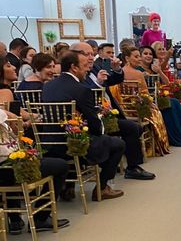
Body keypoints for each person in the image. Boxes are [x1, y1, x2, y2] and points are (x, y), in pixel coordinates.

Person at [42, 50, 127, 201]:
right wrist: (101, 125)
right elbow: (95, 124)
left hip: (50, 143)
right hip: (75, 144)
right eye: (84, 65)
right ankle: (102, 188)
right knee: (117, 144)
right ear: (74, 67)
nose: (88, 68)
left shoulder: (48, 86)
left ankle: (67, 187)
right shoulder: (82, 90)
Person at [70, 43, 156, 180]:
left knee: (135, 128)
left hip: (107, 113)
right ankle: (128, 167)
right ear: (74, 55)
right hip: (94, 119)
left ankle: (130, 166)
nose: (91, 57)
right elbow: (84, 93)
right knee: (132, 128)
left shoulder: (96, 67)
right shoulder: (76, 73)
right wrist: (97, 83)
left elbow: (112, 81)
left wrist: (116, 70)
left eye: (92, 54)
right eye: (87, 54)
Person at [0, 109, 71, 234]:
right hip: (12, 168)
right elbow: (17, 123)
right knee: (61, 166)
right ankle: (40, 218)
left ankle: (15, 219)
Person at [138, 46, 181, 147]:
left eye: (150, 54)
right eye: (145, 54)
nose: (148, 56)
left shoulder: (154, 67)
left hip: (157, 95)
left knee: (176, 103)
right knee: (171, 103)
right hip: (146, 98)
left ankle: (177, 136)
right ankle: (171, 136)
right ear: (140, 56)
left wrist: (159, 71)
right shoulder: (138, 69)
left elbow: (167, 82)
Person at [119, 46, 171, 156]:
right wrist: (151, 104)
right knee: (157, 113)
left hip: (122, 108)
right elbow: (145, 94)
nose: (139, 59)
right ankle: (156, 146)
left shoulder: (118, 72)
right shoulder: (138, 73)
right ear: (127, 58)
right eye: (136, 56)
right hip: (137, 107)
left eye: (139, 56)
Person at [152, 41, 181, 123]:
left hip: (170, 84)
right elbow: (161, 69)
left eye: (163, 49)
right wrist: (167, 57)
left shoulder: (165, 61)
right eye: (159, 49)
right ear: (154, 52)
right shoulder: (155, 62)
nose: (162, 51)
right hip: (161, 87)